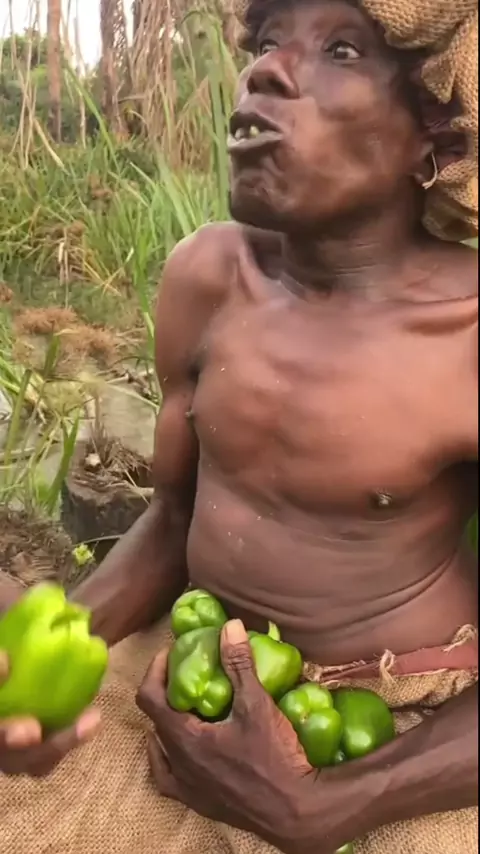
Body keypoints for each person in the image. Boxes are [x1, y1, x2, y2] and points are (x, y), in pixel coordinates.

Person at [0, 0, 478, 852]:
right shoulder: (207, 275)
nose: (264, 71)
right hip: (196, 663)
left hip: (399, 723)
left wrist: (337, 804)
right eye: (264, 42)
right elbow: (174, 519)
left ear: (433, 137)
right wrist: (43, 662)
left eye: (340, 49)